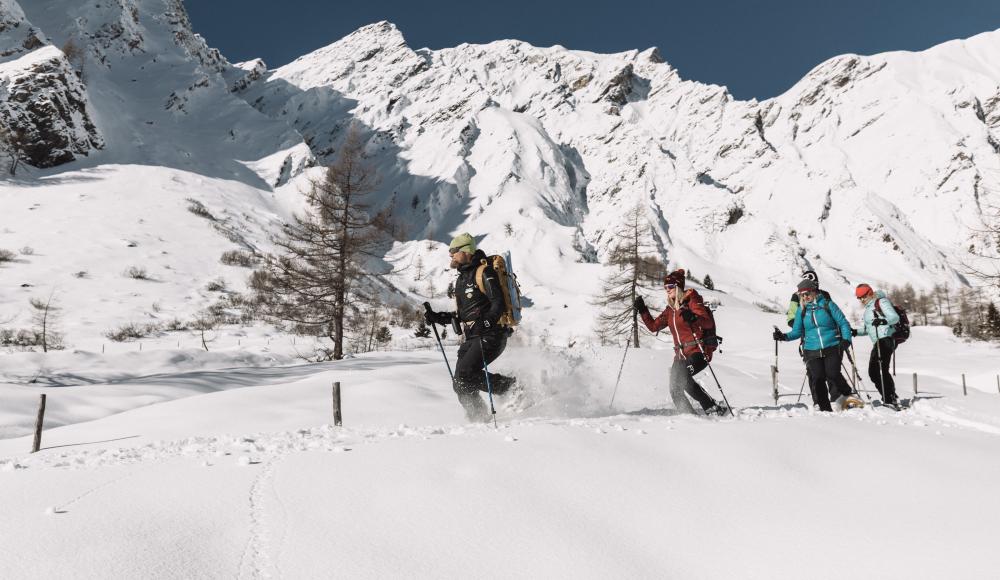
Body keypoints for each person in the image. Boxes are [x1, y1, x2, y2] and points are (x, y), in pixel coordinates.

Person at [424, 233, 516, 422]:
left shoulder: (485, 272)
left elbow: (498, 304)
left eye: (454, 251)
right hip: (472, 337)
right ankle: (479, 418)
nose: (451, 255)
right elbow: (462, 316)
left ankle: (511, 387)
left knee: (465, 375)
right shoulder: (461, 279)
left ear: (466, 251)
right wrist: (438, 318)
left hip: (492, 334)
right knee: (459, 382)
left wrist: (487, 322)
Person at [633, 269, 727, 416]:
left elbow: (707, 322)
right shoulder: (670, 310)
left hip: (698, 351)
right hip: (680, 356)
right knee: (674, 388)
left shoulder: (692, 300)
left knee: (683, 378)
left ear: (678, 287)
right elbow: (653, 327)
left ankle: (712, 408)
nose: (667, 290)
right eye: (665, 287)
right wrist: (643, 309)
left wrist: (694, 317)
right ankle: (689, 416)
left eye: (670, 286)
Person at [773, 278, 861, 411]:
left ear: (814, 291)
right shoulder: (801, 311)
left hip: (832, 345)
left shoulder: (828, 305)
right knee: (817, 378)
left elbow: (843, 323)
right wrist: (783, 336)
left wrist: (846, 340)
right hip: (811, 349)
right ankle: (825, 409)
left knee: (832, 374)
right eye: (802, 295)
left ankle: (849, 397)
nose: (805, 297)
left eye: (807, 293)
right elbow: (797, 332)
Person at [852, 283, 900, 408]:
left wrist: (883, 320)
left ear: (870, 293)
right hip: (878, 341)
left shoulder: (881, 301)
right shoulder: (868, 309)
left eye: (864, 296)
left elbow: (895, 317)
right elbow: (868, 329)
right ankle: (889, 396)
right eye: (859, 297)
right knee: (876, 371)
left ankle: (890, 398)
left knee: (878, 370)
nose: (862, 299)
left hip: (886, 338)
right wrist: (856, 332)